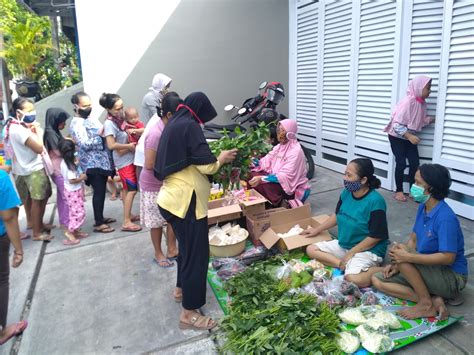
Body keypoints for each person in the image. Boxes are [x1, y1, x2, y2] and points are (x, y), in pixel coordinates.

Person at [155, 92, 237, 330]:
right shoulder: (189, 125)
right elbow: (207, 164)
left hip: (172, 201)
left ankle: (181, 289)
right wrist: (221, 158)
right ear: (198, 111)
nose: (202, 122)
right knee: (197, 256)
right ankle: (189, 314)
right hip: (185, 205)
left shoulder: (176, 123)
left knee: (187, 251)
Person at [372, 164, 468, 320]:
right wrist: (398, 264)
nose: (413, 186)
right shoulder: (423, 208)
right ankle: (434, 299)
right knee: (378, 279)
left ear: (430, 188)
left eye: (417, 183)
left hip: (452, 278)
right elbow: (413, 240)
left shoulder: (445, 218)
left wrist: (407, 258)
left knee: (402, 254)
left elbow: (448, 257)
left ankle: (425, 304)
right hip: (428, 268)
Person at [303, 158, 388, 287]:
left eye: (349, 175)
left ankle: (383, 269)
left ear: (364, 180)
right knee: (311, 249)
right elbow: (338, 215)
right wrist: (316, 229)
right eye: (345, 174)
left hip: (367, 250)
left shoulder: (376, 201)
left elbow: (376, 236)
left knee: (353, 279)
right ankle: (342, 264)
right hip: (346, 245)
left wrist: (351, 253)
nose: (345, 178)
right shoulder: (347, 192)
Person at [4, 98, 53, 241]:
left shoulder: (10, 126)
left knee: (31, 200)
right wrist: (38, 132)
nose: (32, 113)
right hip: (33, 169)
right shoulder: (20, 130)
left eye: (33, 109)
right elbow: (38, 148)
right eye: (29, 110)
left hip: (20, 170)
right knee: (40, 199)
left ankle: (37, 224)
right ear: (18, 112)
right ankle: (37, 232)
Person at [140, 92, 180, 267]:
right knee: (156, 222)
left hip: (167, 181)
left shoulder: (170, 128)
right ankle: (158, 253)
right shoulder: (156, 133)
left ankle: (172, 249)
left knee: (172, 218)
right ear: (169, 114)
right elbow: (149, 164)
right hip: (153, 185)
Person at [69, 92, 116, 233]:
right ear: (76, 106)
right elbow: (83, 143)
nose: (88, 108)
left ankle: (100, 217)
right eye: (84, 106)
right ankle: (98, 223)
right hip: (91, 163)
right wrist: (101, 137)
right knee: (99, 191)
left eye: (89, 105)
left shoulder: (90, 118)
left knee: (101, 190)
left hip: (100, 162)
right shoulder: (76, 123)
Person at [384, 75, 435, 202]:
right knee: (401, 163)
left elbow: (418, 121)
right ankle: (399, 190)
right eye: (428, 88)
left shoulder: (422, 104)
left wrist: (430, 120)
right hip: (396, 136)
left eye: (430, 88)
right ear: (418, 88)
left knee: (414, 163)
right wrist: (409, 136)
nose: (430, 91)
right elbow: (396, 124)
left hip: (409, 138)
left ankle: (413, 190)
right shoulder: (408, 102)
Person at [100, 93, 141, 232]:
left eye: (121, 107)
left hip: (128, 158)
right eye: (117, 109)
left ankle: (128, 215)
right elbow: (111, 145)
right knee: (132, 189)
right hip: (124, 162)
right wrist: (129, 147)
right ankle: (126, 221)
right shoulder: (110, 123)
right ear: (108, 109)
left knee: (125, 189)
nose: (121, 111)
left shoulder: (118, 120)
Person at [249, 119, 310, 207]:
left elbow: (285, 176)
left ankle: (281, 202)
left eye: (283, 130)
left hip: (291, 187)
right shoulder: (279, 147)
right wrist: (250, 161)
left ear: (290, 133)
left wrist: (262, 179)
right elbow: (264, 162)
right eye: (279, 129)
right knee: (252, 174)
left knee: (264, 185)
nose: (279, 133)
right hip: (278, 179)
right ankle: (263, 202)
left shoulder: (295, 151)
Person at [0, 169, 28, 345]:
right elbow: (9, 217)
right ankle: (2, 332)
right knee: (1, 279)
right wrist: (18, 250)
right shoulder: (1, 177)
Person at [43, 108, 71, 230]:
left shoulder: (53, 131)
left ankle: (64, 221)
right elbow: (59, 151)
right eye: (62, 122)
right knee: (67, 197)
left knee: (61, 196)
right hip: (57, 168)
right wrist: (70, 145)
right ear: (55, 121)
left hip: (58, 167)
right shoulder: (50, 133)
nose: (64, 124)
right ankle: (68, 225)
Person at [59, 140, 88, 246]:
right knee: (79, 213)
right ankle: (69, 232)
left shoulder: (67, 161)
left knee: (74, 211)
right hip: (73, 191)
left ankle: (75, 231)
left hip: (74, 190)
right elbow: (72, 180)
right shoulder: (67, 165)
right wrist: (83, 177)